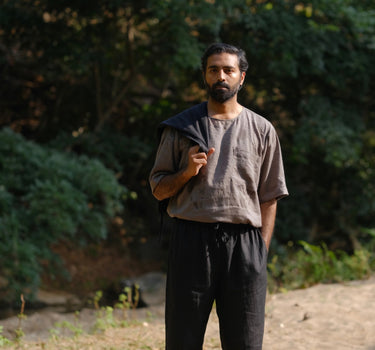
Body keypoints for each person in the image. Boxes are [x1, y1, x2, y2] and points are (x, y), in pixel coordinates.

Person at [149, 43, 288, 350]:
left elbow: (269, 198)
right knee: (182, 339)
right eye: (214, 70)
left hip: (245, 246)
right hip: (191, 241)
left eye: (228, 70)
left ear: (242, 78)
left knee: (246, 341)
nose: (221, 76)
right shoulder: (182, 128)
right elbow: (158, 189)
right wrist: (186, 172)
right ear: (205, 76)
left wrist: (260, 253)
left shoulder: (262, 130)